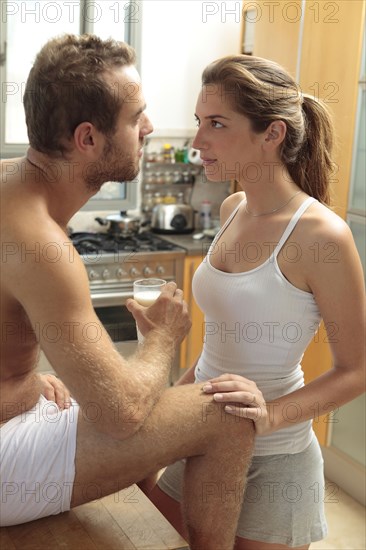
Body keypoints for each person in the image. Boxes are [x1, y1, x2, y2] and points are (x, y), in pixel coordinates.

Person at [0, 35, 255, 550]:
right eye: (137, 115)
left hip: (17, 414)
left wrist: (24, 385)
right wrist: (162, 337)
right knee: (226, 414)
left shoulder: (10, 188)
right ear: (88, 139)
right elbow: (122, 416)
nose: (150, 127)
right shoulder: (41, 246)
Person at [148, 55, 366, 549]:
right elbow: (218, 349)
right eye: (200, 122)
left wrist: (267, 416)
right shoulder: (232, 209)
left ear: (272, 134)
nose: (198, 140)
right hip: (200, 438)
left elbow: (357, 369)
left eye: (217, 124)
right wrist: (161, 410)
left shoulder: (321, 236)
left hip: (276, 459)